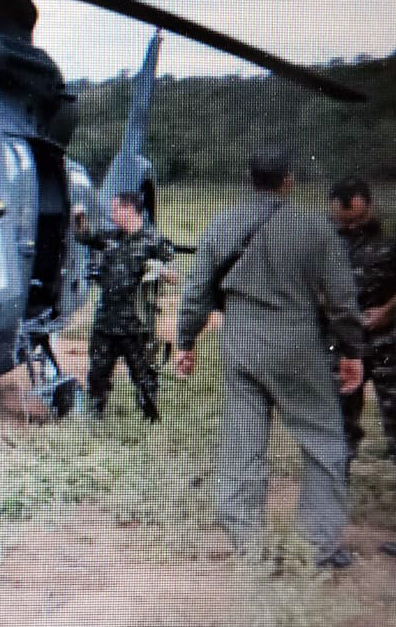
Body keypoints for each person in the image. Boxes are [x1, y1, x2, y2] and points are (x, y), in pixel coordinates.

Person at [173, 142, 363, 568]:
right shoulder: (314, 228)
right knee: (323, 440)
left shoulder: (223, 223)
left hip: (239, 341)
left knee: (242, 443)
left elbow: (196, 295)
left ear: (249, 178)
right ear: (289, 181)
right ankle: (319, 545)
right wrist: (351, 349)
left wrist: (186, 343)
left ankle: (249, 546)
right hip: (297, 341)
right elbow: (342, 301)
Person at [73, 191, 175, 421]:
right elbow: (85, 236)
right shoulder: (112, 237)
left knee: (144, 377)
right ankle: (94, 420)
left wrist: (157, 268)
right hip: (106, 323)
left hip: (136, 327)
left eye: (115, 208)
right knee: (97, 375)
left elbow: (173, 275)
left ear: (129, 210)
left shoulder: (153, 241)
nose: (112, 213)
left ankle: (150, 422)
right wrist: (79, 215)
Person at [328, 177, 396, 465]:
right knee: (340, 412)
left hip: (386, 342)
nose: (352, 227)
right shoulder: (322, 241)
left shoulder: (388, 238)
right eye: (345, 221)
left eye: (358, 219)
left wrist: (387, 312)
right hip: (342, 344)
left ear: (370, 207)